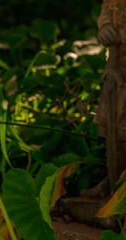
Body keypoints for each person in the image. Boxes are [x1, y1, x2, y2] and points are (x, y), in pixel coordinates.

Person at [87, 0, 126, 195]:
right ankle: (114, 179)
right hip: (117, 69)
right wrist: (106, 28)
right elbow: (107, 14)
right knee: (114, 129)